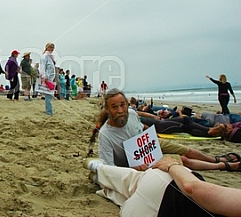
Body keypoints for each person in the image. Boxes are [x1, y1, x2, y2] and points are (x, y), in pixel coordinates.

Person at [98, 88, 240, 171]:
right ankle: (223, 165)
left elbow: (139, 127)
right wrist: (133, 168)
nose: (120, 110)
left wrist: (148, 129)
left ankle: (215, 159)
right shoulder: (105, 135)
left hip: (149, 144)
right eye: (115, 107)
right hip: (137, 162)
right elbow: (109, 169)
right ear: (107, 109)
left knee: (186, 150)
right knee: (183, 160)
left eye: (123, 105)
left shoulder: (133, 114)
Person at [83, 156, 241, 216]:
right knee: (127, 202)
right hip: (146, 212)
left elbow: (192, 188)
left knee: (134, 181)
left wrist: (172, 165)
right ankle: (104, 188)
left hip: (164, 186)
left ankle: (99, 171)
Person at [40, 43, 56, 115]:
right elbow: (43, 67)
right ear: (47, 47)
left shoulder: (51, 57)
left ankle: (49, 110)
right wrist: (44, 76)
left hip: (51, 78)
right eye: (50, 47)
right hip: (47, 78)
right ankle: (49, 111)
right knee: (48, 95)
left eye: (53, 47)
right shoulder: (45, 56)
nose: (52, 49)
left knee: (49, 95)